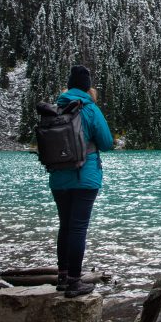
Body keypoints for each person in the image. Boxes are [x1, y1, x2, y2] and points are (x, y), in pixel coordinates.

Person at [51, 65, 113, 297]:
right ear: (88, 87)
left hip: (58, 178)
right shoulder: (89, 108)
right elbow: (106, 143)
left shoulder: (56, 107)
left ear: (69, 85)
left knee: (65, 226)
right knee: (78, 228)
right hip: (85, 178)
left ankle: (62, 277)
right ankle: (75, 282)